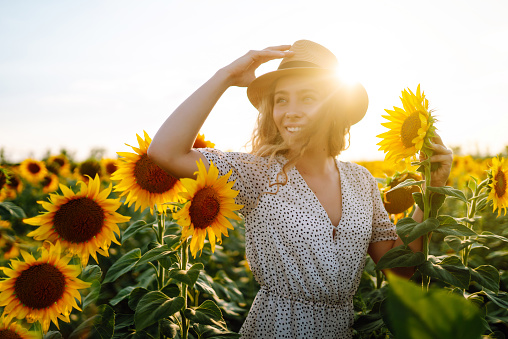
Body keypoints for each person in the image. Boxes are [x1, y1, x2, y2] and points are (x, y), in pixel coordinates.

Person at [148, 40, 453, 338]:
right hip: (276, 328)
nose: (290, 111)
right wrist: (225, 76)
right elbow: (166, 152)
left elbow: (398, 269)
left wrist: (431, 189)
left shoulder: (361, 181)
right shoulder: (257, 172)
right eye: (281, 99)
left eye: (308, 98)